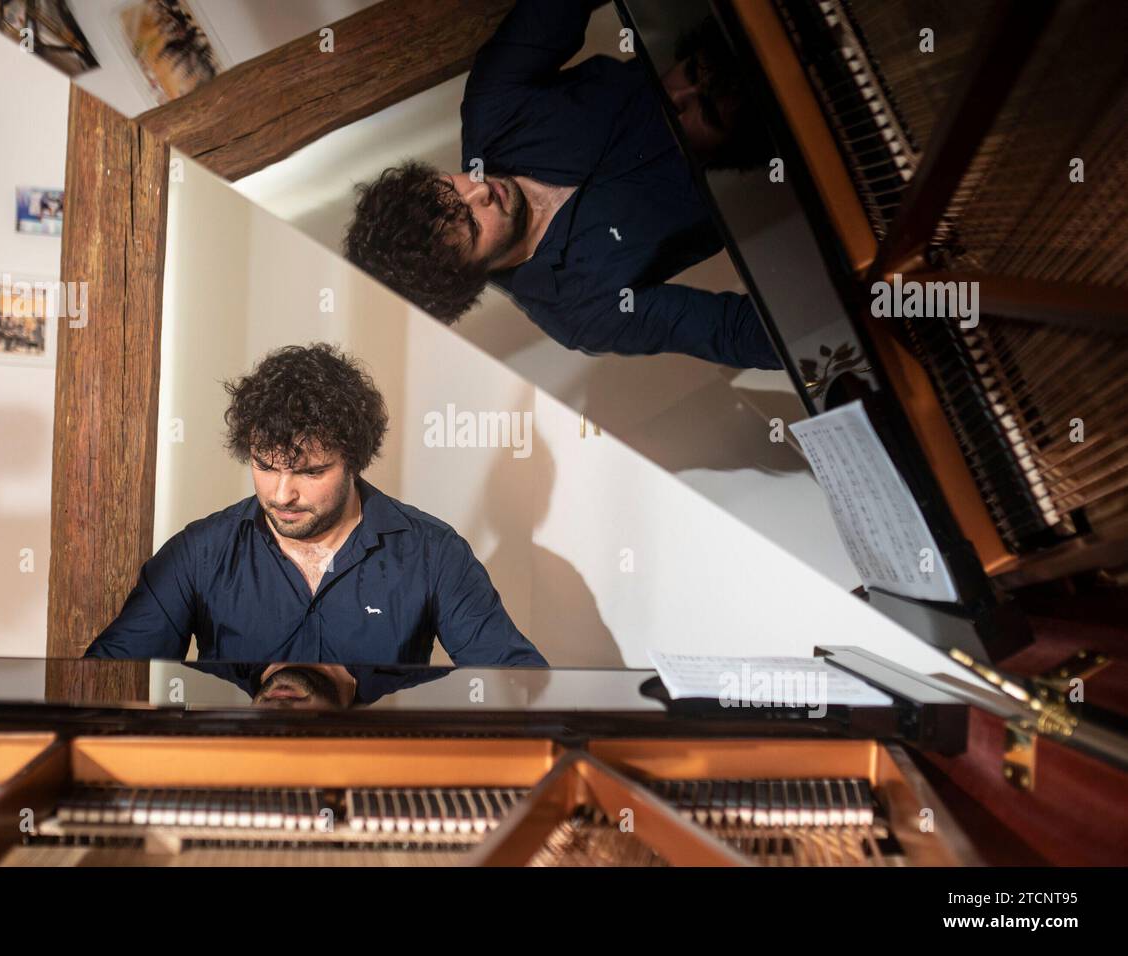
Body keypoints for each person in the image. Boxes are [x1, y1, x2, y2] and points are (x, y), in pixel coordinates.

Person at [344, 1, 779, 370]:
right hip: (781, 155)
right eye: (473, 224)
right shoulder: (581, 311)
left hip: (737, 27)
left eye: (451, 187)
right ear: (470, 279)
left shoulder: (494, 103)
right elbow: (730, 330)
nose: (479, 190)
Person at [86, 343, 547, 667]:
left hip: (374, 786)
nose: (282, 494)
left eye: (310, 473)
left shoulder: (433, 553)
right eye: (265, 466)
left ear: (354, 461)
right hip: (239, 782)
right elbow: (110, 680)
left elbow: (514, 685)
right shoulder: (199, 552)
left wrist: (380, 693)